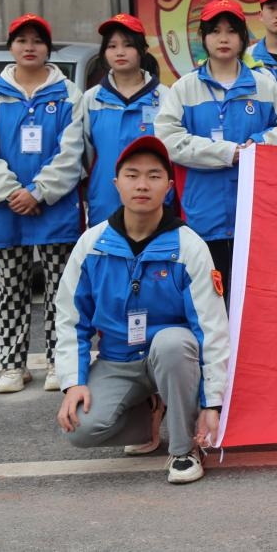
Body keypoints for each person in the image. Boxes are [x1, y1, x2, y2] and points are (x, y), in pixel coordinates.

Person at [54, 136, 229, 484]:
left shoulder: (189, 246)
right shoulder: (92, 244)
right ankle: (149, 410)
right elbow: (71, 320)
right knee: (81, 429)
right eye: (132, 175)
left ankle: (184, 449)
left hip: (175, 359)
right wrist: (73, 382)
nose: (142, 185)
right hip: (119, 360)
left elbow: (211, 328)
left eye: (154, 176)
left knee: (172, 343)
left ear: (169, 186)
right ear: (116, 183)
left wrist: (212, 404)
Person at [0, 13, 85, 395]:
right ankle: (12, 366)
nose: (29, 47)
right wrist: (11, 192)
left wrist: (39, 191)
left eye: (37, 40)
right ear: (11, 47)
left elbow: (72, 152)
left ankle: (57, 362)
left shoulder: (69, 94)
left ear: (48, 48)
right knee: (11, 289)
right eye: (22, 40)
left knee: (59, 290)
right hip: (5, 212)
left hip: (56, 208)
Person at [154, 0, 277, 301]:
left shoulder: (263, 84)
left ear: (243, 38)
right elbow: (168, 139)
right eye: (215, 31)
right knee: (209, 301)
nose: (223, 38)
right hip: (203, 215)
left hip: (256, 215)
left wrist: (259, 143)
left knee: (254, 301)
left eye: (231, 31)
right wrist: (226, 153)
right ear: (203, 38)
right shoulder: (185, 87)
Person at [83, 13, 169, 226]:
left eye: (128, 45)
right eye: (112, 46)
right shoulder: (91, 99)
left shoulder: (165, 96)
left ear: (143, 50)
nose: (119, 52)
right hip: (105, 202)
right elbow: (85, 155)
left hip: (155, 204)